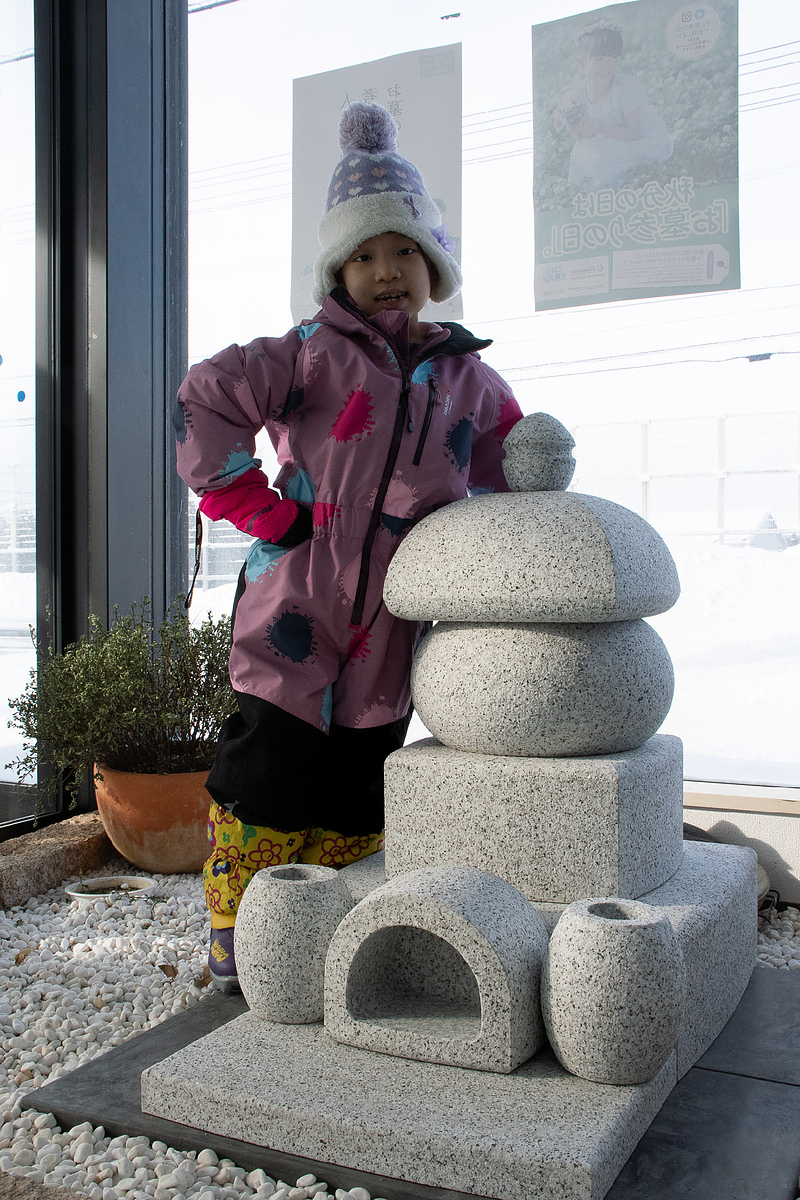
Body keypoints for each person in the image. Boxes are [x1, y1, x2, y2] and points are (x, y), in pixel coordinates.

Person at [174, 102, 523, 988]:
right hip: (294, 602)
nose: (385, 271)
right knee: (271, 768)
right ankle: (242, 930)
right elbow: (204, 399)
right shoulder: (306, 355)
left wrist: (498, 556)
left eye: (403, 250)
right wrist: (259, 509)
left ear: (432, 264)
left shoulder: (466, 377)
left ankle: (326, 930)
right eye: (363, 256)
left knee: (362, 775)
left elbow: (510, 467)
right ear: (338, 273)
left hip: (394, 623)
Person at [554, 18, 674, 191]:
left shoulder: (625, 89)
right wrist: (584, 130)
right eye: (599, 59)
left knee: (602, 153)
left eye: (614, 57)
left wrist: (602, 129)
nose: (607, 65)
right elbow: (581, 129)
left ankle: (612, 187)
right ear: (581, 62)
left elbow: (634, 132)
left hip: (640, 138)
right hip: (606, 136)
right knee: (580, 152)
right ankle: (584, 190)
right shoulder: (578, 93)